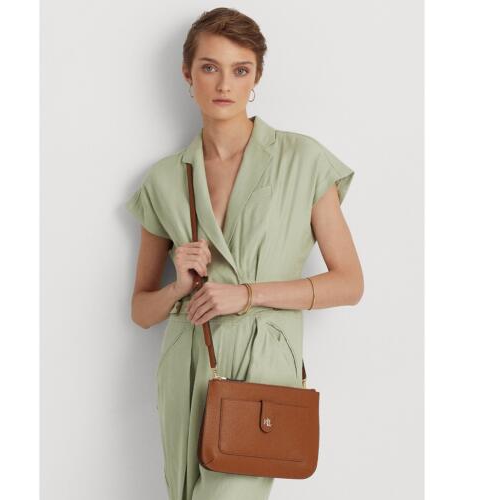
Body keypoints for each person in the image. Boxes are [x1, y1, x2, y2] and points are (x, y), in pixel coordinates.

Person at [125, 7, 364, 500]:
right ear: (187, 73)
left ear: (256, 77)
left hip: (263, 364)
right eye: (209, 67)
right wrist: (179, 286)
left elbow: (349, 283)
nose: (224, 84)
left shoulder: (302, 159)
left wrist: (247, 294)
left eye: (240, 70)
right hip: (186, 361)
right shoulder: (165, 179)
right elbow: (141, 311)